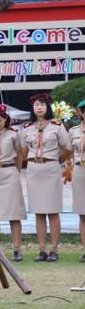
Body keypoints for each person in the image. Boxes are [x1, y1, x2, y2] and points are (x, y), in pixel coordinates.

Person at [21, 93, 71, 262]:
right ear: (32, 109)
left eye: (42, 104)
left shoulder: (57, 126)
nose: (39, 107)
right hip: (34, 169)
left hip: (51, 168)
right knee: (39, 212)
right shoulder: (27, 127)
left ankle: (54, 249)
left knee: (53, 211)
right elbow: (23, 151)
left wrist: (58, 160)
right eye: (36, 105)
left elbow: (67, 148)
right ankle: (42, 249)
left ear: (47, 107)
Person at [0, 104, 26, 262]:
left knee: (14, 215)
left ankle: (16, 249)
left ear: (5, 119)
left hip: (9, 173)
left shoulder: (14, 134)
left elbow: (19, 156)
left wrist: (15, 172)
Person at [69, 99, 85, 262]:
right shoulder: (74, 131)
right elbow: (68, 150)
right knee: (83, 213)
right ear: (81, 113)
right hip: (80, 170)